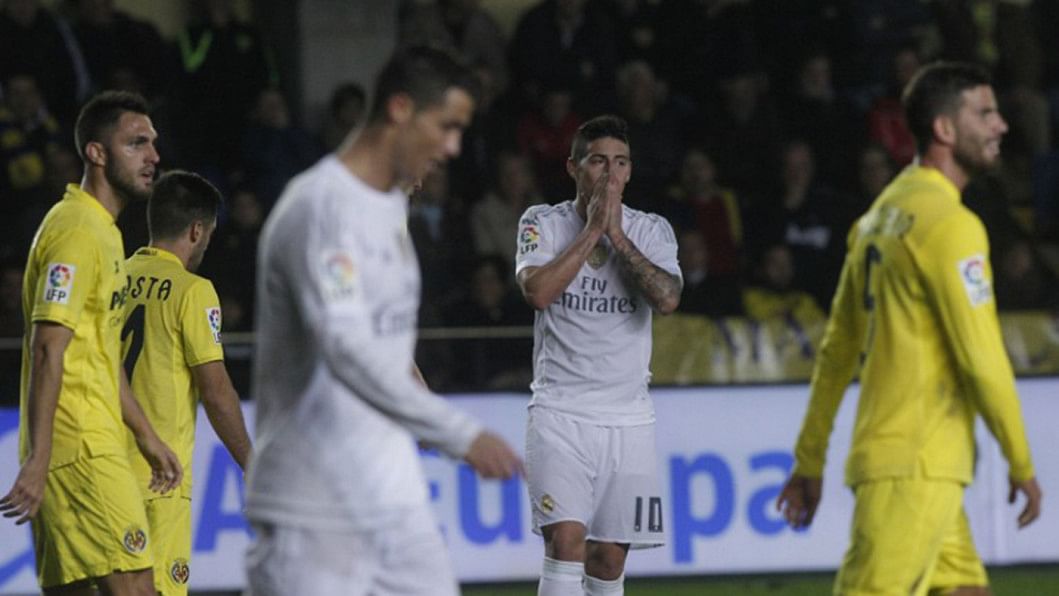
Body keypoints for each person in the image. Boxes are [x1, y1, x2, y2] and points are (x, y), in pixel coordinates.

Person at [244, 45, 523, 596]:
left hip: (395, 500)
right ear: (400, 109)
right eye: (446, 126)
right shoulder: (322, 207)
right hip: (314, 508)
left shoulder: (391, 206)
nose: (453, 147)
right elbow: (345, 348)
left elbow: (385, 344)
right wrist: (458, 433)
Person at [776, 62, 1043, 596]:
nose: (1001, 125)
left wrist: (810, 455)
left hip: (902, 458)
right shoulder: (952, 227)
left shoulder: (879, 217)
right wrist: (1020, 460)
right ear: (944, 128)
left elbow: (836, 351)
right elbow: (982, 359)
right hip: (918, 464)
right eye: (985, 113)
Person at [0, 90, 182, 595]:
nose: (153, 156)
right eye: (136, 143)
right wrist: (40, 457)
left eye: (153, 143)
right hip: (80, 447)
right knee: (137, 586)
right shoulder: (77, 232)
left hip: (82, 444)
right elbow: (46, 347)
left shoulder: (102, 232)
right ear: (96, 153)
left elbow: (100, 353)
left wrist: (145, 435)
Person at [515, 114, 682, 595]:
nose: (610, 174)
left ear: (630, 171)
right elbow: (537, 292)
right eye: (598, 162)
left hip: (628, 419)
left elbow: (667, 299)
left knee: (608, 558)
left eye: (620, 163)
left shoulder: (652, 230)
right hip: (559, 412)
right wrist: (593, 230)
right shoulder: (540, 223)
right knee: (566, 542)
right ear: (573, 167)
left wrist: (617, 236)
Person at [121, 170, 252, 596]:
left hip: (106, 472)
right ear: (197, 230)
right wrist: (251, 464)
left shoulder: (114, 277)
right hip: (160, 478)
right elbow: (216, 392)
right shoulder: (193, 291)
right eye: (209, 236)